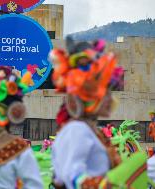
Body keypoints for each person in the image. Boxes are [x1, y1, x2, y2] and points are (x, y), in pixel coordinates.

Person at [49, 37, 125, 188]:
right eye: (106, 92)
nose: (110, 99)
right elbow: (72, 175)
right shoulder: (77, 129)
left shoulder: (90, 130)